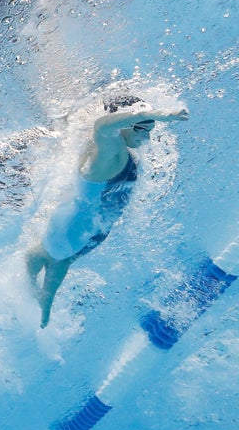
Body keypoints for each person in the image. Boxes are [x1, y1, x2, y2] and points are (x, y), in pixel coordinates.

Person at [25, 97, 189, 327]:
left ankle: (39, 298)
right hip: (75, 225)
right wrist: (152, 115)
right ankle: (41, 301)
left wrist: (144, 118)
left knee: (57, 258)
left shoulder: (117, 149)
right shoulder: (110, 153)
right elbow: (102, 127)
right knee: (57, 259)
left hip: (87, 223)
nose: (147, 137)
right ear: (125, 125)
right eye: (143, 129)